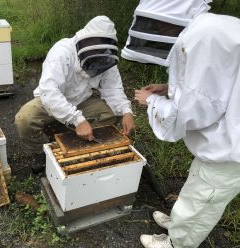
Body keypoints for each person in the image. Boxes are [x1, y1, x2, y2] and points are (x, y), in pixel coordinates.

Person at [134, 12, 240, 248]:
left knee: (203, 200)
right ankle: (178, 224)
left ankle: (177, 243)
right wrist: (168, 88)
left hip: (232, 149)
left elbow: (192, 112)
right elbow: (213, 85)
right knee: (198, 186)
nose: (159, 31)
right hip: (227, 138)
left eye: (160, 26)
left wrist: (151, 101)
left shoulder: (204, 37)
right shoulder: (214, 28)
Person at [15, 16, 135, 174]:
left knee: (112, 114)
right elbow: (49, 91)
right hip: (50, 100)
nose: (98, 51)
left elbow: (113, 89)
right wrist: (77, 120)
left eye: (102, 47)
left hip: (83, 100)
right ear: (85, 40)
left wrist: (127, 112)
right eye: (96, 45)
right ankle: (41, 151)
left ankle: (76, 140)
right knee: (25, 119)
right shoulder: (62, 51)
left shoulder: (105, 58)